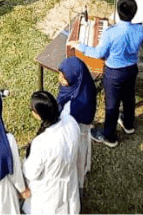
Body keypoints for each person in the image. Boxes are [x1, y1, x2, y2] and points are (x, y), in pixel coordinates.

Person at [68, 0, 143, 147]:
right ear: (134, 13)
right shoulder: (140, 29)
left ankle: (109, 136)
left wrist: (79, 46)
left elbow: (98, 53)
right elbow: (142, 40)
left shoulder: (111, 33)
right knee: (129, 97)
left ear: (118, 12)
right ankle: (129, 124)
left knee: (112, 104)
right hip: (131, 69)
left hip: (114, 73)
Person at [23, 91, 81, 215]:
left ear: (38, 114)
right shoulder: (71, 122)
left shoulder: (42, 143)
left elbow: (31, 173)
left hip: (50, 192)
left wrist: (26, 158)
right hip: (69, 180)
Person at [56, 57, 97, 188]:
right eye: (60, 74)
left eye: (64, 77)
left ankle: (77, 185)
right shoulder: (83, 84)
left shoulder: (76, 105)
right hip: (79, 128)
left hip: (75, 133)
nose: (60, 79)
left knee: (75, 161)